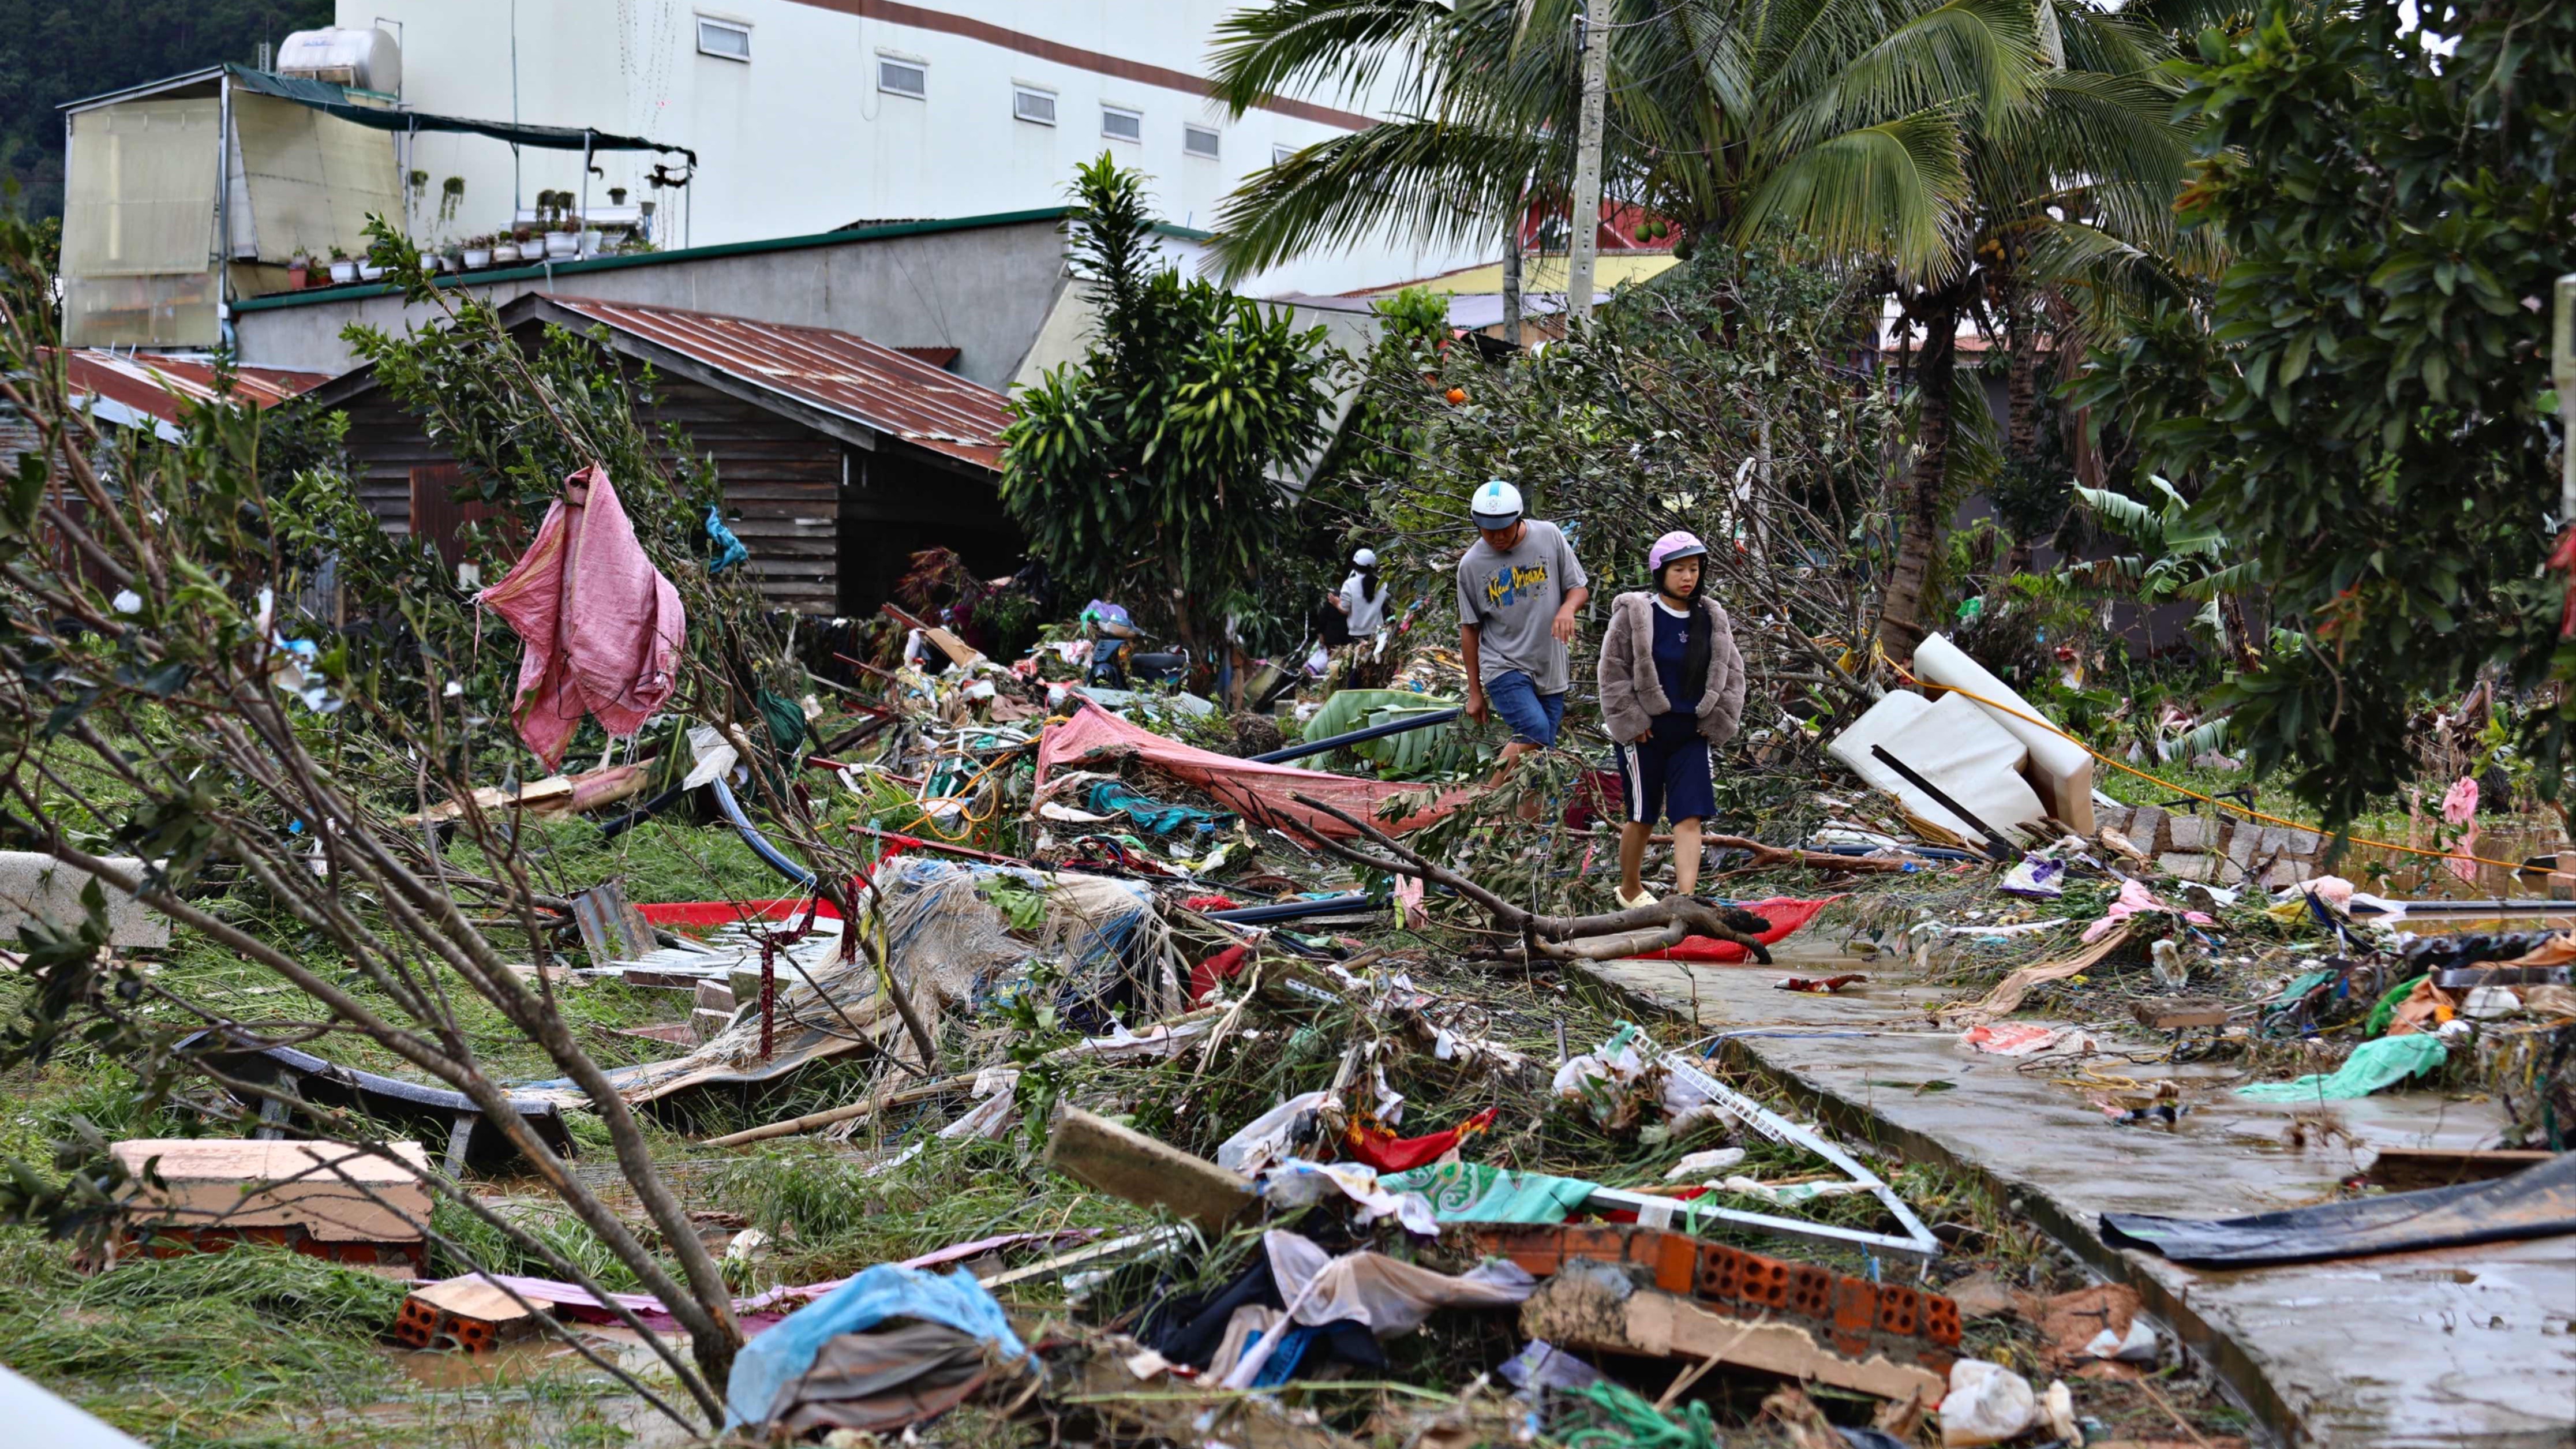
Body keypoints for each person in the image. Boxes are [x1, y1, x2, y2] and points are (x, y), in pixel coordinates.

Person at [1596, 530, 1744, 908]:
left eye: (1694, 568)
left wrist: (1718, 721)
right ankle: (1629, 889)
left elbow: (1732, 673)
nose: (1688, 577)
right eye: (1679, 569)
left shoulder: (1712, 617)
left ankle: (1686, 899)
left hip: (1691, 732)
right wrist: (1630, 722)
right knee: (1643, 815)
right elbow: (1613, 673)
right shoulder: (1636, 614)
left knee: (1689, 815)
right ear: (1660, 571)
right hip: (1645, 733)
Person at [1455, 480, 1588, 759]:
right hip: (1504, 664)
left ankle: (1517, 804)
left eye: (1505, 527)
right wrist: (1474, 691)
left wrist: (1567, 609)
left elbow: (1579, 588)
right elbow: (1470, 629)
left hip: (1550, 666)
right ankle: (1486, 798)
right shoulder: (1471, 565)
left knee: (1540, 759)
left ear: (1518, 518)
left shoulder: (1549, 536)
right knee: (1534, 730)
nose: (1498, 537)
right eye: (1489, 531)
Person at [1323, 547, 1390, 688]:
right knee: (1375, 666)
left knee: (1357, 668)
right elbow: (1388, 601)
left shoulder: (1349, 584)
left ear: (1355, 565)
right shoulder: (1382, 584)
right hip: (1377, 635)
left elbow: (1345, 610)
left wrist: (1336, 603)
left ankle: (1355, 693)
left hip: (1356, 636)